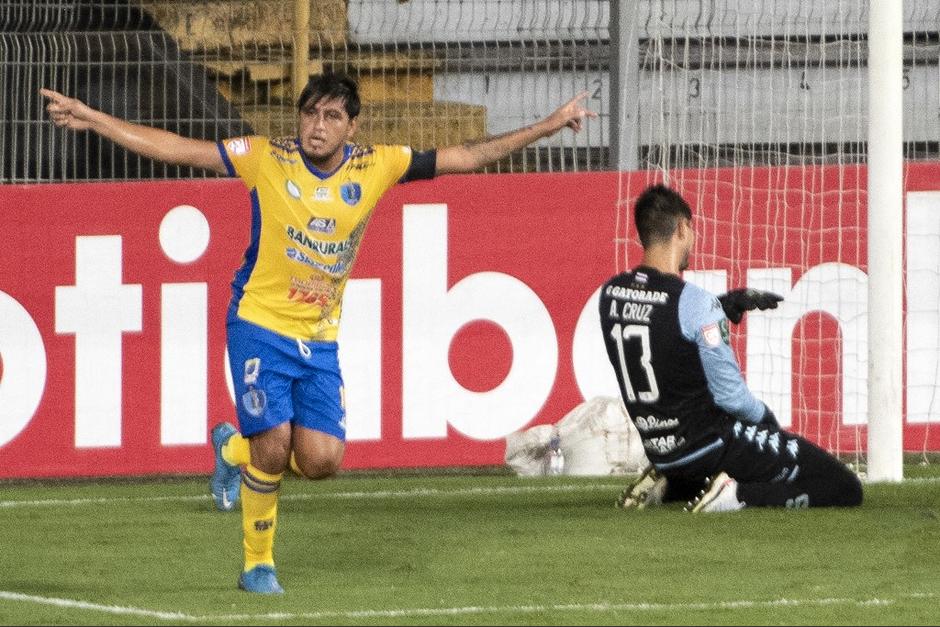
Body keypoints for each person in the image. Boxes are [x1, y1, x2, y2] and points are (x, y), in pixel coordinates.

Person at [42, 73, 596, 594]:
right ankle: (258, 566)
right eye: (310, 113)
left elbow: (468, 155)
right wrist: (96, 118)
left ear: (351, 128)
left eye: (332, 116)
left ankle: (230, 451)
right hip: (258, 322)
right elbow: (177, 147)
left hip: (319, 338)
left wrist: (547, 125)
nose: (317, 125)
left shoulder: (377, 165)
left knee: (322, 462)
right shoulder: (266, 158)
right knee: (275, 443)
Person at [599, 184, 863, 514]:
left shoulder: (611, 294)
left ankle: (671, 486)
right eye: (691, 230)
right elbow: (730, 397)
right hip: (711, 443)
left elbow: (658, 326)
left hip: (662, 449)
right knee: (844, 487)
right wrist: (767, 422)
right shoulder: (694, 303)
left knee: (702, 447)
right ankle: (735, 496)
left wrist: (721, 306)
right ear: (682, 228)